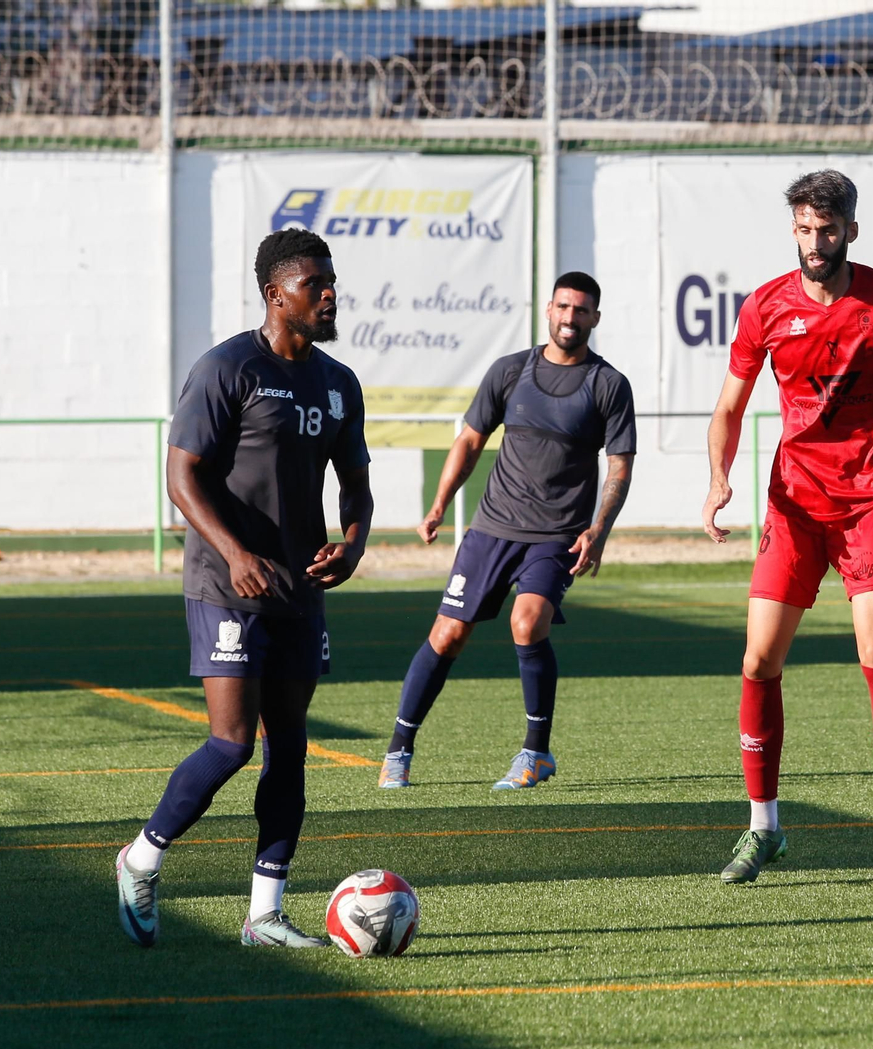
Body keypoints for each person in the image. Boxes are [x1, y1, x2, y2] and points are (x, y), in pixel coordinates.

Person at [701, 170, 873, 889]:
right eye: (803, 230)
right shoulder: (765, 306)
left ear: (851, 229)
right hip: (794, 504)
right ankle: (764, 828)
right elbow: (728, 407)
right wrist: (719, 477)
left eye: (826, 230)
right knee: (758, 661)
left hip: (871, 499)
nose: (814, 243)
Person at [114, 229, 373, 948]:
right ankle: (141, 858)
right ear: (275, 295)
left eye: (331, 281)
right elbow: (181, 477)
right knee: (231, 744)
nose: (329, 294)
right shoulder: (227, 369)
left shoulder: (339, 383)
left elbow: (356, 485)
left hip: (299, 589)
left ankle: (264, 916)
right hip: (225, 586)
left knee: (288, 747)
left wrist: (353, 543)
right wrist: (233, 553)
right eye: (314, 284)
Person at [378, 271, 636, 791]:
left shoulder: (608, 384)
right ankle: (399, 750)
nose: (570, 317)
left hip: (557, 535)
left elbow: (620, 466)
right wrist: (438, 505)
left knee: (528, 621)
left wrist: (599, 530)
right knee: (447, 635)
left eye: (581, 310)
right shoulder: (511, 370)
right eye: (563, 306)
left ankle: (535, 753)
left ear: (595, 318)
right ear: (548, 310)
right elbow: (470, 440)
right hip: (492, 528)